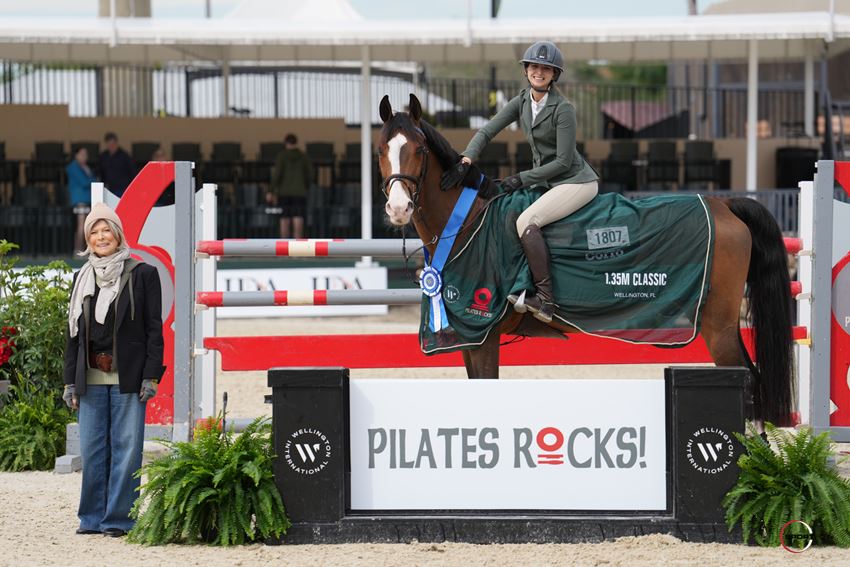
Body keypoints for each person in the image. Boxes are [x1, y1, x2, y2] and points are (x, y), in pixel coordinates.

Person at [442, 40, 599, 323]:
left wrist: (520, 179)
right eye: (534, 67)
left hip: (575, 182)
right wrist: (467, 158)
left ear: (554, 75)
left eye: (546, 69)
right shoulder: (522, 101)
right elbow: (488, 130)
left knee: (527, 221)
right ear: (526, 70)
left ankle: (546, 300)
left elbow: (563, 162)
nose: (539, 72)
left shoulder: (564, 109)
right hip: (548, 182)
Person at [62, 202, 165, 537]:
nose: (101, 236)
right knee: (92, 449)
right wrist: (68, 383)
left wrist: (150, 375)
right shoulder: (81, 278)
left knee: (126, 449)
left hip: (129, 377)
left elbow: (154, 330)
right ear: (88, 238)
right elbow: (72, 336)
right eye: (94, 231)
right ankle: (91, 518)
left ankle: (119, 519)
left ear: (118, 235)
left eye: (107, 230)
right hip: (89, 378)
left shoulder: (143, 273)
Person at [269, 133, 312, 239]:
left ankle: (284, 249)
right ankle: (297, 249)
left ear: (286, 143)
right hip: (300, 192)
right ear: (296, 142)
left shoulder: (281, 156)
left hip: (284, 193)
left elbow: (277, 175)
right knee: (298, 219)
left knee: (284, 220)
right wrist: (305, 187)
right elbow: (310, 175)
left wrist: (271, 190)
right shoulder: (304, 156)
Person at [66, 146, 97, 251]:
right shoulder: (73, 167)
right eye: (82, 155)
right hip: (79, 200)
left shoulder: (85, 167)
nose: (85, 157)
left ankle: (83, 250)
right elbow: (84, 182)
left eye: (86, 155)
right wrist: (95, 180)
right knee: (81, 226)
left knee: (87, 226)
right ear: (76, 155)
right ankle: (78, 250)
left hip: (87, 199)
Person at [99, 132, 137, 197]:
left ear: (116, 143)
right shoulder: (103, 156)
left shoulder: (125, 156)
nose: (111, 146)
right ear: (106, 144)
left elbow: (133, 171)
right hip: (109, 189)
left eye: (113, 144)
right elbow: (101, 172)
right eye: (109, 144)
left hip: (123, 188)